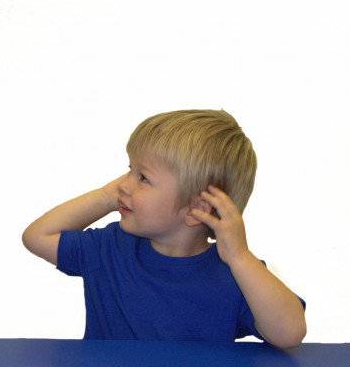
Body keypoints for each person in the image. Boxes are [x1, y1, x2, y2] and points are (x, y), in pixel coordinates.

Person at [22, 109, 306, 349]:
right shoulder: (109, 247)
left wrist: (241, 257)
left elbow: (289, 334)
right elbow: (36, 237)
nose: (123, 185)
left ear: (196, 209)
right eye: (130, 170)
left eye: (143, 178)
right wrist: (106, 197)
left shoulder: (234, 273)